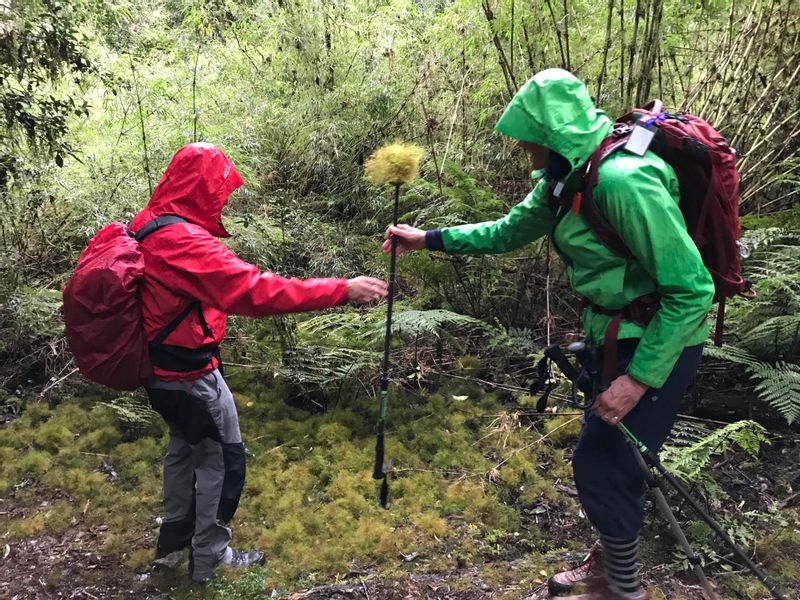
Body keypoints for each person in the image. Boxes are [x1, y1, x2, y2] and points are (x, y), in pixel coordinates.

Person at [382, 69, 714, 600]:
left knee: (603, 462)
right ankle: (610, 566)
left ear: (552, 129)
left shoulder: (625, 182)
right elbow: (508, 231)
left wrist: (638, 379)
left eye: (527, 134)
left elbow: (692, 290)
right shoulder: (566, 180)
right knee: (613, 456)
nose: (522, 146)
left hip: (658, 340)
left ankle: (620, 588)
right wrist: (429, 239)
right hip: (611, 334)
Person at [129, 142, 388, 582]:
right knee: (222, 459)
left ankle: (171, 553)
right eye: (219, 190)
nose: (223, 199)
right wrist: (342, 290)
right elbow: (256, 291)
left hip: (157, 371)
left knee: (184, 452)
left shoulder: (149, 223)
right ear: (203, 189)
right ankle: (209, 558)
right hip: (190, 376)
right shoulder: (184, 242)